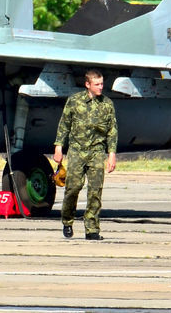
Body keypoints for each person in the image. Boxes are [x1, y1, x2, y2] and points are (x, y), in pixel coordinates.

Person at [53, 68, 117, 240]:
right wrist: (58, 147)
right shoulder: (74, 101)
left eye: (102, 83)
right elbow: (64, 125)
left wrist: (111, 154)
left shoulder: (107, 104)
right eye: (97, 84)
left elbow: (112, 131)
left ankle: (92, 229)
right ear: (87, 84)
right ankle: (67, 221)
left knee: (95, 191)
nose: (100, 87)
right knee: (73, 188)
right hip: (77, 151)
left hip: (96, 152)